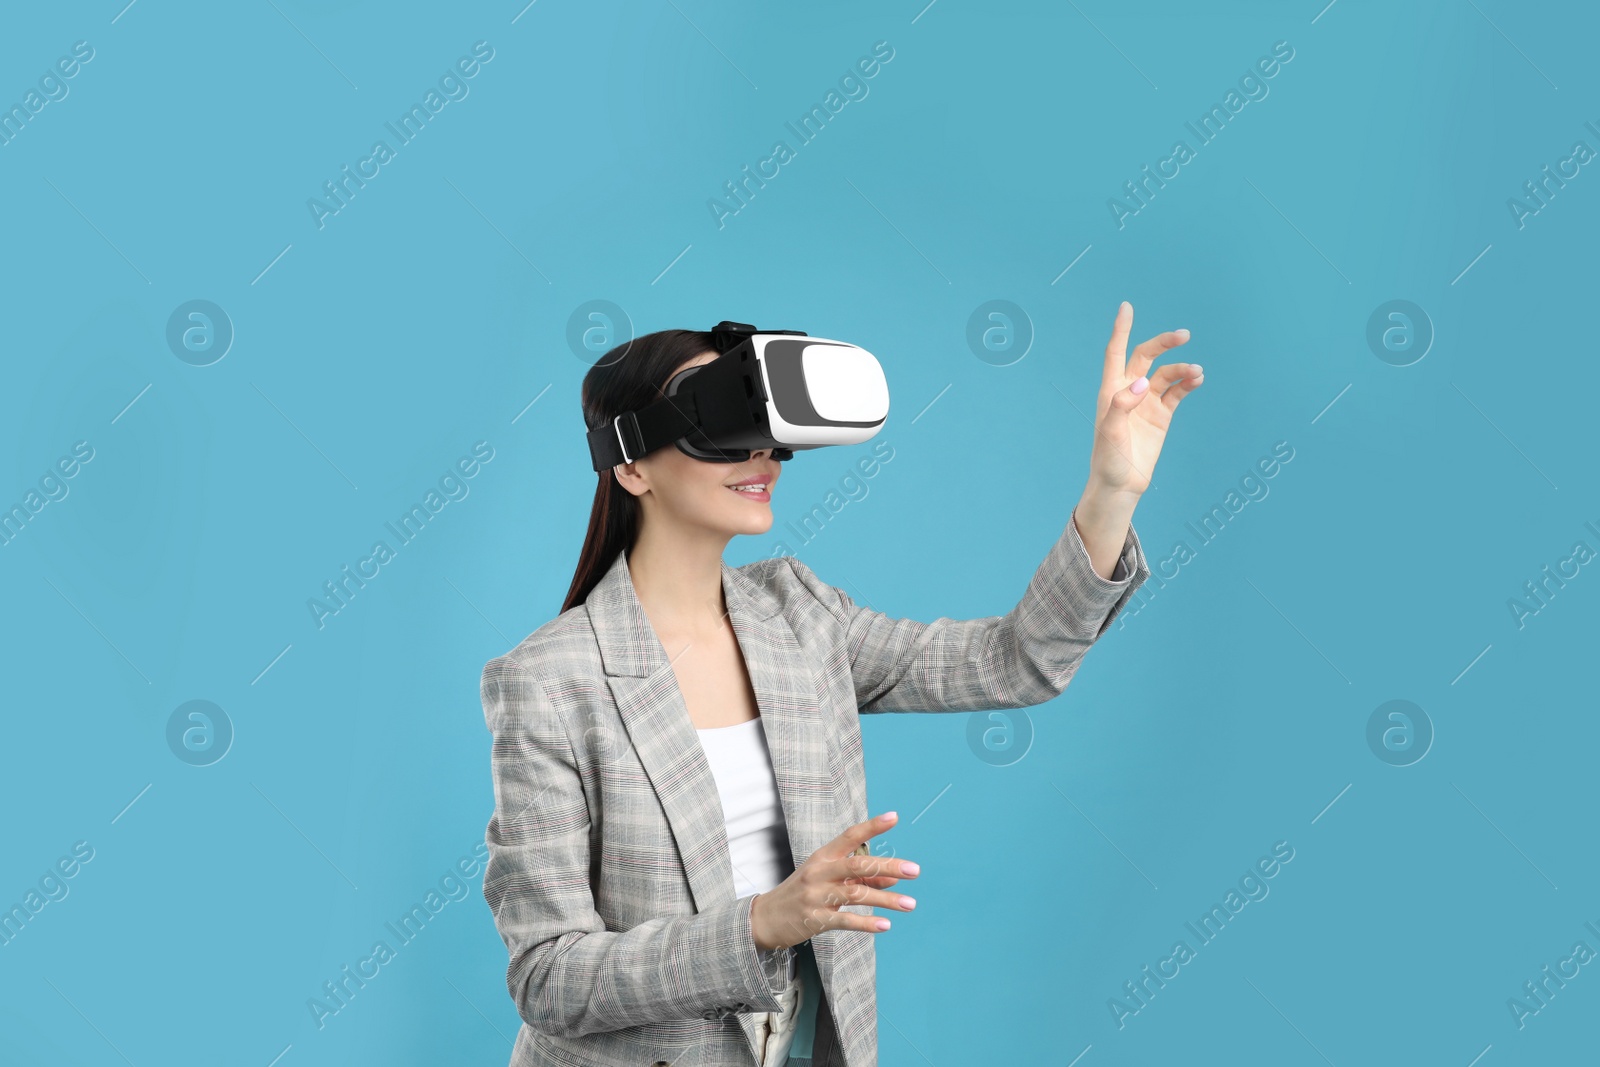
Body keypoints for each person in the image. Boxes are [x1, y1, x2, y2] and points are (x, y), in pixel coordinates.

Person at [478, 302, 1202, 1066]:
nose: (761, 456)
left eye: (769, 435)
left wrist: (1111, 491)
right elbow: (549, 975)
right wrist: (762, 921)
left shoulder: (799, 612)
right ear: (630, 465)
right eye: (723, 424)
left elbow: (1014, 658)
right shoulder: (550, 682)